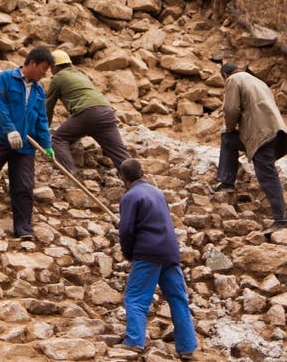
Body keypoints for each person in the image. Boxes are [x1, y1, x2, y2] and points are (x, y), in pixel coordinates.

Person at [0, 45, 54, 238]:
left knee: (23, 185)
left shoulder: (39, 91)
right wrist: (10, 130)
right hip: (0, 139)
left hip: (25, 145)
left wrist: (47, 146)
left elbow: (41, 120)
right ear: (32, 63)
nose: (44, 74)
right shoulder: (6, 78)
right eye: (43, 69)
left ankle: (23, 228)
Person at [117, 158, 198, 360]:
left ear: (122, 178)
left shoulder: (130, 197)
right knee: (178, 299)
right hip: (170, 252)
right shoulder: (158, 192)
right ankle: (187, 347)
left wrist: (128, 253)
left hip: (147, 253)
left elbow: (126, 230)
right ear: (143, 173)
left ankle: (135, 341)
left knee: (136, 297)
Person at [210, 62, 287, 235]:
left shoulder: (233, 80)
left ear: (224, 75)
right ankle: (226, 182)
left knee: (267, 175)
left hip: (261, 134)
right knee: (228, 139)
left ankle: (281, 220)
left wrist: (230, 127)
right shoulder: (258, 81)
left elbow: (231, 109)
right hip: (277, 132)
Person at [45, 49, 131, 174]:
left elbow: (48, 106)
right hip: (106, 111)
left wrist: (43, 129)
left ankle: (71, 174)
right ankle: (136, 181)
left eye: (50, 67)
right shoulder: (79, 74)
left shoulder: (57, 78)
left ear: (54, 67)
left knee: (58, 138)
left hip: (88, 113)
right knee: (119, 153)